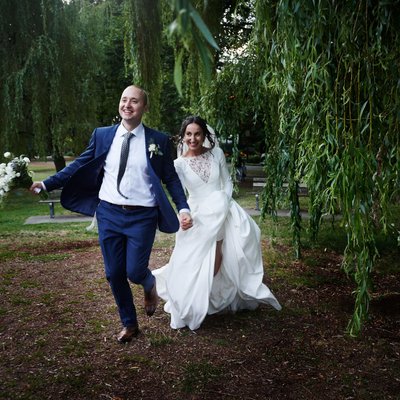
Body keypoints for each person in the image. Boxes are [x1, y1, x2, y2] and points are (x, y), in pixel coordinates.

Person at [30, 85, 193, 343]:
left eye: (135, 101)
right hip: (109, 213)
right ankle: (129, 323)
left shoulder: (158, 141)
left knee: (134, 270)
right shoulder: (103, 135)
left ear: (144, 107)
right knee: (113, 272)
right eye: (124, 100)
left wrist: (183, 207)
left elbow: (171, 178)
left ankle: (149, 283)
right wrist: (47, 183)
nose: (128, 105)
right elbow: (80, 163)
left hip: (143, 216)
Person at [153, 116, 282, 331]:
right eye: (188, 134)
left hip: (221, 209)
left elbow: (227, 182)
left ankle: (204, 296)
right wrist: (183, 215)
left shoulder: (217, 154)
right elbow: (179, 195)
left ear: (204, 135)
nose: (192, 138)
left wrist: (223, 202)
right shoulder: (179, 164)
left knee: (218, 255)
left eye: (197, 134)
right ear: (183, 137)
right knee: (190, 257)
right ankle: (186, 295)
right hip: (196, 214)